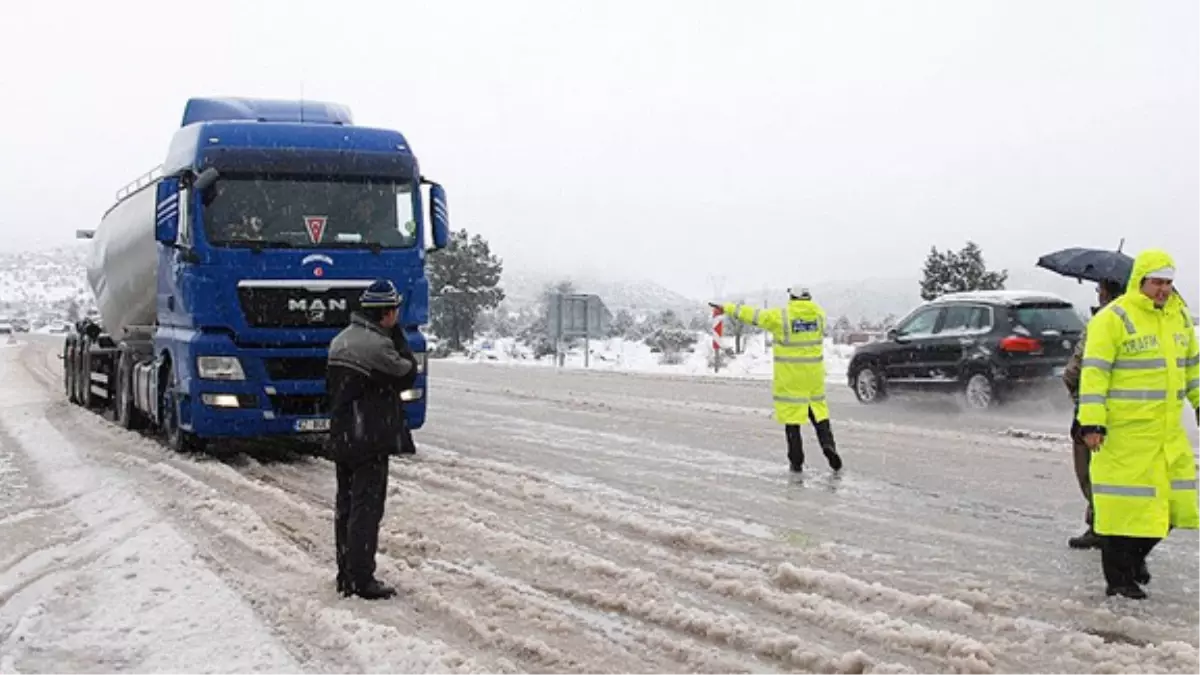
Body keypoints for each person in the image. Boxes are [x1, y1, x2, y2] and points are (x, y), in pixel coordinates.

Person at [1077, 249, 1200, 599]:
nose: (1163, 289)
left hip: (1166, 434)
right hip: (1123, 436)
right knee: (1122, 512)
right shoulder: (1113, 318)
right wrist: (1092, 423)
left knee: (1173, 507)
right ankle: (1119, 579)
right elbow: (1095, 375)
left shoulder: (1178, 317)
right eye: (1157, 282)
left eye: (1168, 282)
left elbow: (1193, 366)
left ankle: (1134, 560)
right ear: (1140, 281)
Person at [326, 279, 417, 599]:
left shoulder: (341, 339)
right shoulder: (378, 347)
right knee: (367, 508)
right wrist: (399, 336)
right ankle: (362, 578)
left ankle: (345, 573)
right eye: (395, 312)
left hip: (344, 435)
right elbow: (407, 371)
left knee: (347, 506)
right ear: (387, 313)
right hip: (369, 437)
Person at [712, 286, 843, 472]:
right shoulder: (819, 316)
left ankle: (796, 461)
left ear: (792, 297)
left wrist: (728, 308)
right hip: (813, 376)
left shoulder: (781, 317)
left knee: (792, 420)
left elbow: (753, 315)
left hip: (790, 376)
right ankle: (829, 446)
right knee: (818, 413)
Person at [1061, 278, 1124, 550]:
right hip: (1127, 411)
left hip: (1092, 407)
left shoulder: (1102, 323)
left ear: (1107, 292)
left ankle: (1100, 525)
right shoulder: (1140, 323)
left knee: (1089, 470)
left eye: (1100, 289)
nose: (1097, 294)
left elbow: (1076, 369)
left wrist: (1074, 389)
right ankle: (1116, 527)